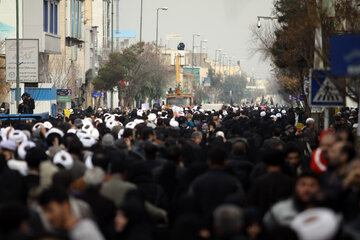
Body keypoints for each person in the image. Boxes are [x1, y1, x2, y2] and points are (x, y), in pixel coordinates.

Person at [38, 185, 105, 240]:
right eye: (44, 212)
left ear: (66, 205)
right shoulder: (60, 232)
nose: (47, 217)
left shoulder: (85, 232)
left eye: (50, 210)